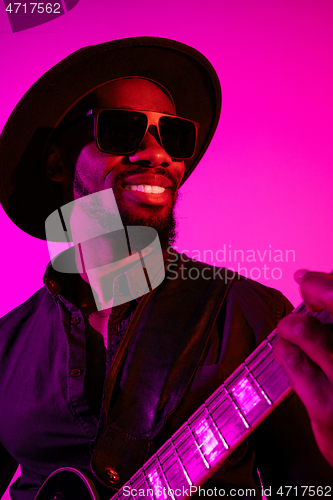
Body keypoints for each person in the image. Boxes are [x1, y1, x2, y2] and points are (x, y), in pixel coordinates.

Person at [0, 37, 332, 500]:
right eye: (121, 130)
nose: (159, 155)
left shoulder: (249, 314)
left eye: (173, 136)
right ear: (56, 160)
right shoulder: (7, 345)